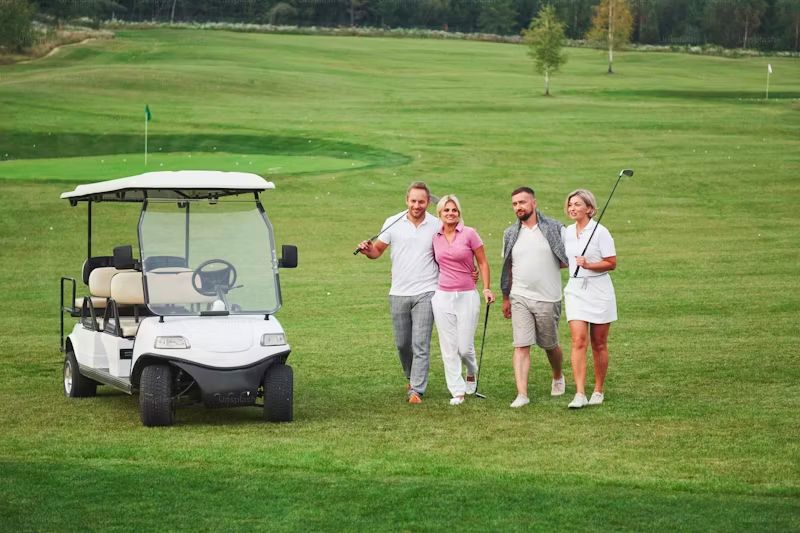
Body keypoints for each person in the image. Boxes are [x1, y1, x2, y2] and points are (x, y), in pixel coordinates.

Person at [357, 182, 440, 404]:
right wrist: (367, 251)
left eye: (421, 201)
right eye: (413, 201)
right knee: (403, 344)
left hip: (427, 291)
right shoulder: (392, 222)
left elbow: (448, 254)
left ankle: (416, 390)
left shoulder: (437, 225)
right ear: (406, 200)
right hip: (399, 292)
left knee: (420, 343)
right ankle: (410, 377)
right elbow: (377, 251)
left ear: (428, 202)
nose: (417, 205)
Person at [500, 187, 568, 408]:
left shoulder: (555, 228)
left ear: (534, 203)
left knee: (550, 345)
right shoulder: (511, 233)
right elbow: (507, 267)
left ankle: (557, 375)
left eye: (522, 202)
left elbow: (567, 259)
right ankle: (522, 394)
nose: (518, 207)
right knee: (521, 345)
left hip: (548, 297)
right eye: (514, 204)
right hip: (519, 295)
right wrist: (506, 297)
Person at [431, 195, 495, 406]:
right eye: (447, 210)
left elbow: (483, 263)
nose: (451, 213)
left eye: (454, 210)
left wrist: (485, 287)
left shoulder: (470, 234)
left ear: (459, 213)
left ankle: (471, 370)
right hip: (442, 296)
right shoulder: (435, 236)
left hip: (467, 295)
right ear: (439, 214)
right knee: (448, 348)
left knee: (464, 347)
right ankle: (457, 390)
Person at [562, 189, 617, 409]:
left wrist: (589, 265)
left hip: (599, 290)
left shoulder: (601, 232)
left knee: (599, 343)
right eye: (570, 205)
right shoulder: (566, 231)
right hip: (575, 289)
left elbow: (611, 262)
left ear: (589, 208)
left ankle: (598, 390)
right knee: (578, 341)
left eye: (577, 204)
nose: (572, 208)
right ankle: (579, 393)